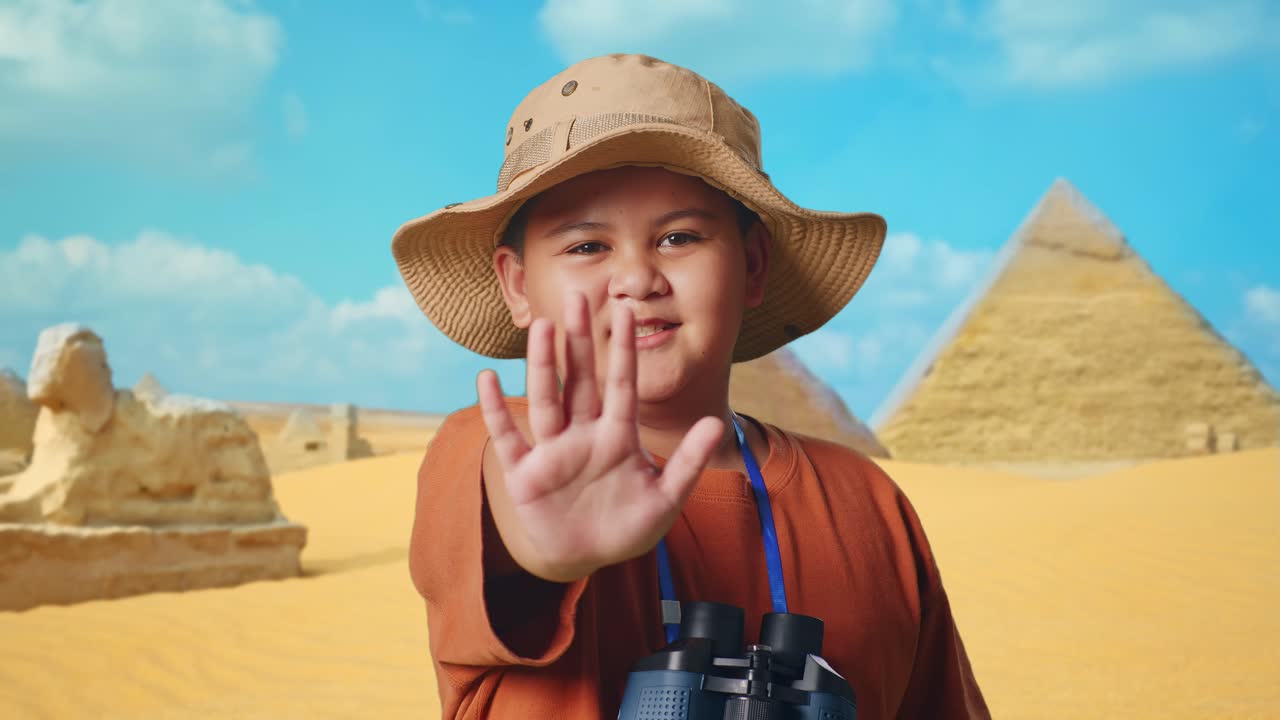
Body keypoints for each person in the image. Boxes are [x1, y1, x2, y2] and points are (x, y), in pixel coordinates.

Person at [392, 53, 989, 719]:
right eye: (587, 247)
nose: (637, 278)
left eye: (679, 237)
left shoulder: (870, 502)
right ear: (516, 284)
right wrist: (544, 555)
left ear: (753, 264)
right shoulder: (495, 450)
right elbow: (511, 498)